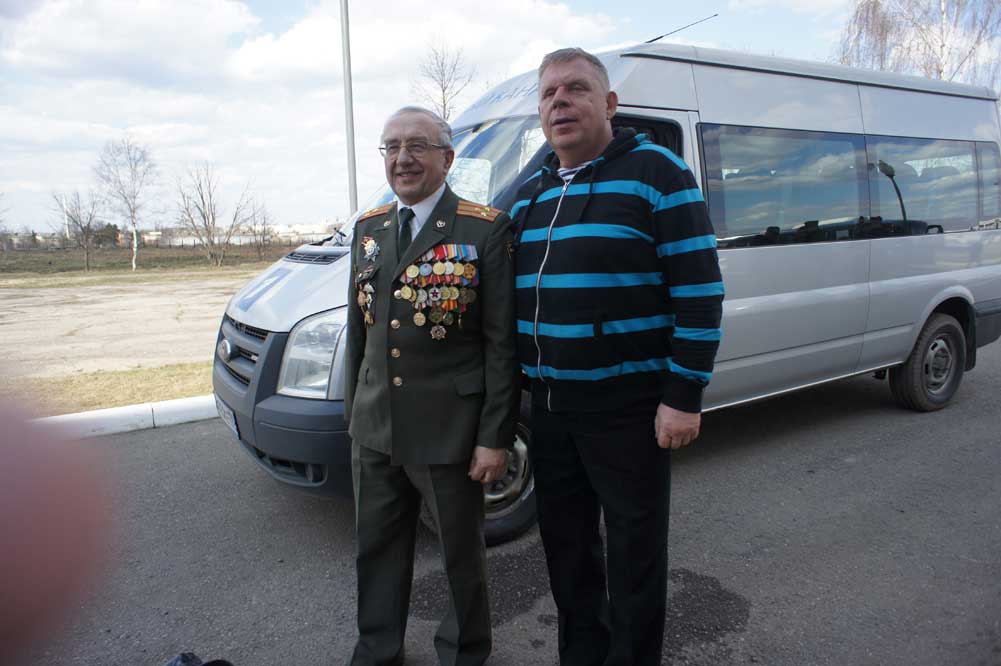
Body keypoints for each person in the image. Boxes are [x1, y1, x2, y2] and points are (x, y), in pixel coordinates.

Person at [509, 49, 724, 666]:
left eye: (575, 89)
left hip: (629, 409)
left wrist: (683, 396)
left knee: (634, 554)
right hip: (551, 407)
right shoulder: (530, 194)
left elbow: (700, 291)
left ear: (609, 104)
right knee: (567, 550)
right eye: (548, 93)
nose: (559, 101)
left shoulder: (658, 173)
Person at [343, 106, 519, 666]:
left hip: (450, 431)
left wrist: (494, 436)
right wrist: (354, 416)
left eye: (417, 145)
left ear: (447, 157)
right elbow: (359, 333)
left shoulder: (483, 228)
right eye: (391, 146)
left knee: (460, 556)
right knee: (376, 549)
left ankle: (465, 652)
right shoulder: (369, 229)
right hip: (375, 427)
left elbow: (500, 344)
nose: (402, 158)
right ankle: (378, 650)